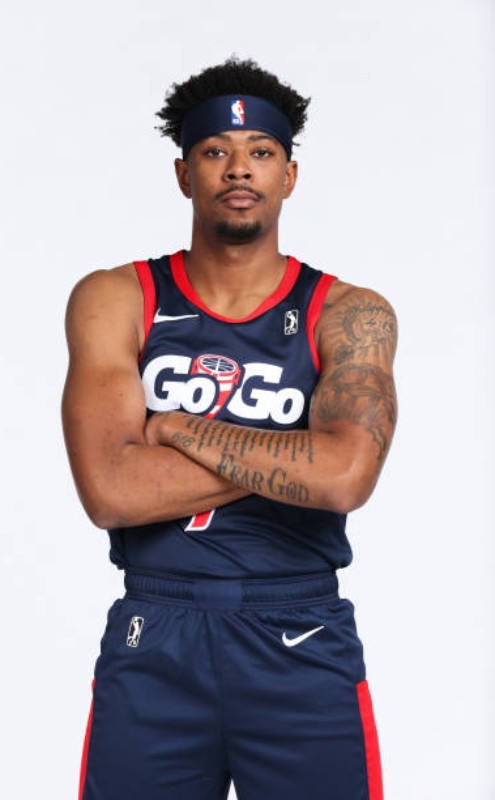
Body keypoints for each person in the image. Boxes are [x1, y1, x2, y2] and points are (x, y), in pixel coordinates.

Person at [63, 56, 397, 800]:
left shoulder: (350, 312)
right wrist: (298, 457)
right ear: (184, 174)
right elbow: (110, 490)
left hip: (299, 632)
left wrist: (176, 426)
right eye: (215, 151)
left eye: (261, 152)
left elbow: (346, 476)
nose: (238, 168)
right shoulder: (117, 298)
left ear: (289, 175)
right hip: (156, 630)